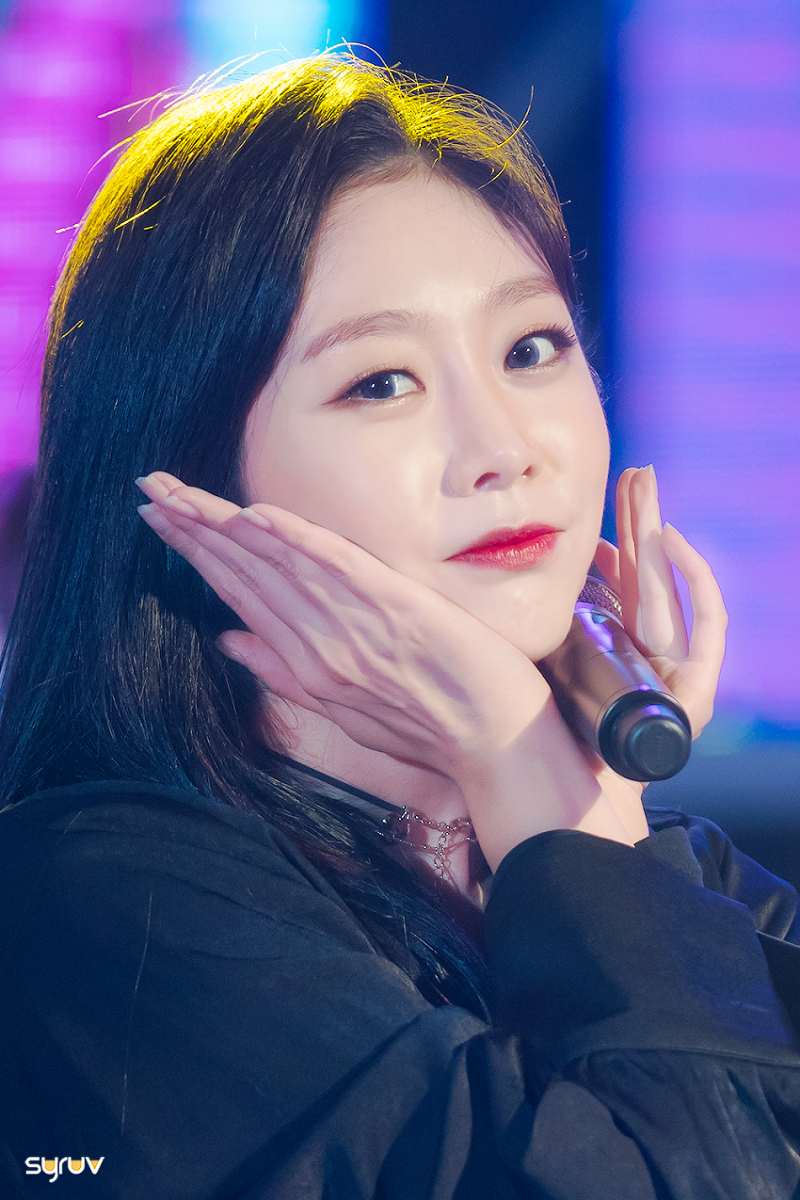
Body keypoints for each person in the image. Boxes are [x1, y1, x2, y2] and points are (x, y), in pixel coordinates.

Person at [0, 54, 798, 1199]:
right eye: (381, 382)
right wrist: (525, 758)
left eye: (530, 348)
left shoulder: (652, 863)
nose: (503, 449)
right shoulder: (106, 909)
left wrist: (577, 791)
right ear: (190, 474)